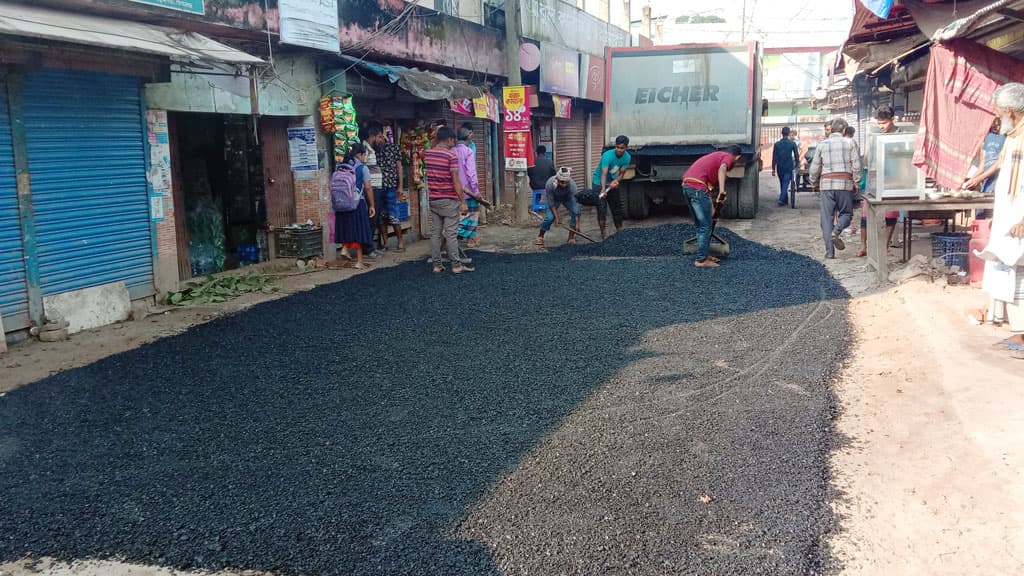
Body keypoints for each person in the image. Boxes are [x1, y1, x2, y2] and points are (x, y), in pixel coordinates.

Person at [975, 83, 1024, 351]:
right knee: (1010, 273)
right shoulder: (1013, 137)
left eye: (998, 112)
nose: (997, 117)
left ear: (1010, 111)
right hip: (1010, 217)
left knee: (1019, 273)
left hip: (1020, 221)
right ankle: (1018, 332)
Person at [681, 145, 743, 268]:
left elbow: (706, 188)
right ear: (737, 157)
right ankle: (700, 260)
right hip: (697, 188)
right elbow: (723, 169)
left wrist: (712, 208)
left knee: (701, 225)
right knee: (705, 226)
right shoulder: (727, 157)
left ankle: (703, 254)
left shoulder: (716, 156)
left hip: (687, 186)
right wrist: (722, 191)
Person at [810, 118, 862, 259]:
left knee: (826, 219)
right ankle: (837, 230)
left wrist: (813, 182)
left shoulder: (822, 144)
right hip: (844, 184)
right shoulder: (850, 143)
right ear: (844, 130)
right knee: (846, 214)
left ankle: (829, 253)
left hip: (826, 185)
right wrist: (856, 182)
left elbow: (814, 167)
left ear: (831, 129)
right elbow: (856, 165)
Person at [425, 126, 473, 274]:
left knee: (436, 233)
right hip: (449, 200)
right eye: (453, 139)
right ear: (449, 139)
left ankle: (437, 265)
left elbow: (431, 143)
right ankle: (456, 265)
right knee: (451, 233)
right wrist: (463, 201)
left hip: (433, 199)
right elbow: (456, 181)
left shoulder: (428, 154)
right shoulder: (451, 156)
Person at [334, 143, 376, 269]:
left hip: (341, 203)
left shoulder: (340, 166)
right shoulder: (362, 168)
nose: (365, 158)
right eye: (365, 155)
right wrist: (372, 205)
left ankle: (345, 248)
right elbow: (368, 188)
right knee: (359, 231)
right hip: (357, 203)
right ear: (360, 155)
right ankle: (359, 261)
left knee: (347, 228)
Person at [366, 125, 405, 252]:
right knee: (381, 217)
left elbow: (399, 167)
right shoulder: (373, 150)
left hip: (390, 186)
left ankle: (400, 242)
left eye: (381, 137)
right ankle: (386, 243)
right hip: (377, 187)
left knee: (394, 215)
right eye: (378, 137)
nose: (380, 139)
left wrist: (400, 186)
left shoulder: (394, 148)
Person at [593, 135, 632, 239]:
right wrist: (603, 189)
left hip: (612, 182)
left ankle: (620, 232)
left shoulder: (627, 157)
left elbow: (621, 174)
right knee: (602, 208)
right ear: (615, 146)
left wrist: (616, 181)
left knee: (617, 208)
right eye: (617, 147)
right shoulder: (607, 156)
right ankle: (603, 234)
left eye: (622, 148)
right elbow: (603, 174)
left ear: (626, 148)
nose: (619, 150)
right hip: (599, 182)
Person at [535, 167, 581, 247]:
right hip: (554, 199)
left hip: (567, 198)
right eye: (562, 182)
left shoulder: (572, 185)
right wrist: (557, 218)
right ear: (557, 179)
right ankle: (540, 236)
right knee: (550, 218)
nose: (564, 185)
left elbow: (575, 205)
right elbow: (551, 203)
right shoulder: (550, 184)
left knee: (575, 212)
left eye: (566, 182)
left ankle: (571, 237)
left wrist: (577, 223)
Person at [455, 126, 483, 248]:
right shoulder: (468, 151)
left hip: (454, 190)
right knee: (472, 215)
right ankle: (467, 238)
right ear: (468, 136)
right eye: (471, 133)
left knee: (459, 215)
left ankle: (453, 237)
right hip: (468, 191)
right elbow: (471, 173)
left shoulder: (452, 150)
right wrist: (476, 191)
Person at [772, 127, 800, 206]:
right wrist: (797, 164)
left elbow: (774, 157)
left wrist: (773, 169)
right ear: (788, 134)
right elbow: (796, 156)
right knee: (785, 184)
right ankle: (782, 199)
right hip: (788, 167)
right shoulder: (792, 143)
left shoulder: (777, 144)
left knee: (782, 183)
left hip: (780, 167)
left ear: (782, 133)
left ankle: (784, 200)